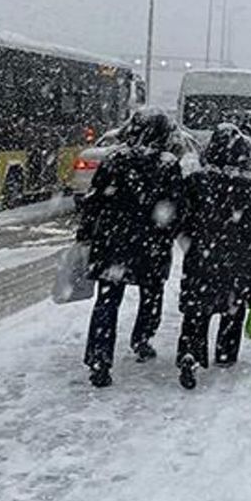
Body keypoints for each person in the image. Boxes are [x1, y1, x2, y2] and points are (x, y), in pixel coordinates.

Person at [78, 109, 185, 388]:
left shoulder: (115, 159)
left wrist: (86, 233)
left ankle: (100, 358)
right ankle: (142, 338)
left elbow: (95, 199)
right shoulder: (168, 164)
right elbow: (175, 207)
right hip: (151, 242)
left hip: (113, 240)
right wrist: (168, 232)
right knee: (151, 293)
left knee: (107, 299)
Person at [176, 124, 251, 390]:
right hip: (241, 261)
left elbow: (180, 218)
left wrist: (191, 240)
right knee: (232, 309)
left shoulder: (196, 181)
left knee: (196, 310)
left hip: (201, 258)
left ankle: (190, 352)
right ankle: (225, 354)